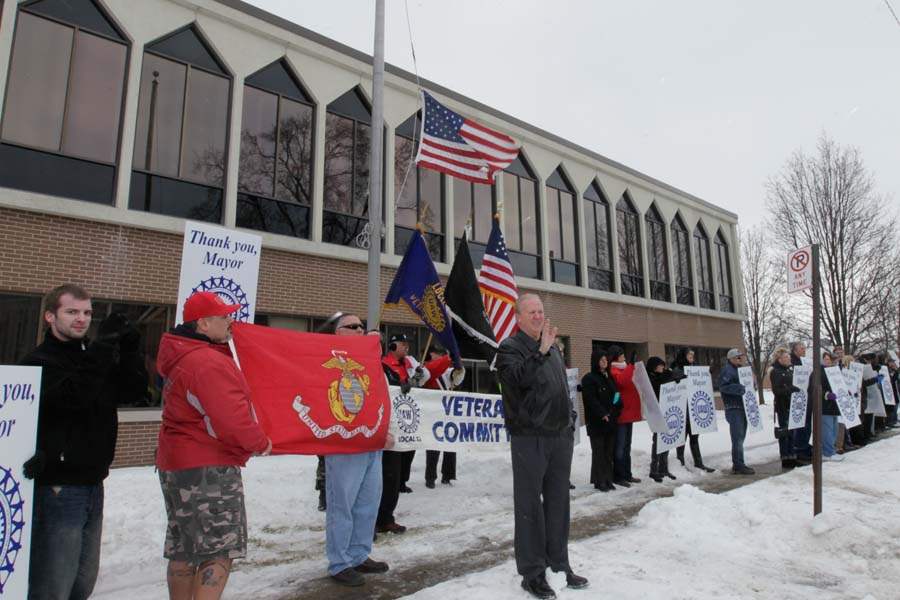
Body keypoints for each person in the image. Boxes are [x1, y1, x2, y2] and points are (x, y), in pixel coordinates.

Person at [21, 284, 147, 600]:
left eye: (87, 312)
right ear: (50, 316)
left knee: (82, 583)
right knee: (53, 584)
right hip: (59, 488)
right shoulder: (39, 361)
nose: (82, 319)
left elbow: (132, 392)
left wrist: (131, 347)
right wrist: (103, 347)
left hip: (93, 483)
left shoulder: (92, 357)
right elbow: (74, 398)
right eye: (72, 312)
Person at [155, 291, 272, 600]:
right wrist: (260, 443)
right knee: (218, 550)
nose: (231, 321)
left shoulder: (182, 357)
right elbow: (231, 421)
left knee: (184, 548)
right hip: (207, 468)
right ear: (204, 324)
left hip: (176, 463)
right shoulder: (206, 362)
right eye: (224, 316)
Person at [495, 293, 588, 600]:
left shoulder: (554, 349)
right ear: (518, 317)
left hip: (559, 437)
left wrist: (570, 418)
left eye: (540, 311)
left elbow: (562, 385)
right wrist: (542, 351)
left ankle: (559, 565)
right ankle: (533, 572)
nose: (538, 316)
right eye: (531, 312)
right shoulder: (509, 348)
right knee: (529, 507)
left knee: (559, 503)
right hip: (529, 436)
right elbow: (516, 380)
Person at [321, 312, 390, 586]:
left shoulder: (371, 361)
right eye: (352, 327)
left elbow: (380, 395)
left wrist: (386, 429)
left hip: (371, 440)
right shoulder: (325, 358)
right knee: (343, 504)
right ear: (338, 333)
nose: (360, 330)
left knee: (367, 502)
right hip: (343, 442)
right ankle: (339, 561)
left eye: (362, 326)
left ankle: (359, 554)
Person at [382, 333, 429, 494]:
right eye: (403, 344)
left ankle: (402, 481)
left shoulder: (408, 363)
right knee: (396, 449)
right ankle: (392, 481)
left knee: (409, 447)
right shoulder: (384, 364)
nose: (406, 347)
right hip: (393, 414)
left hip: (409, 412)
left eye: (407, 344)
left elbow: (417, 384)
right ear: (393, 346)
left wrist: (417, 378)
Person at [422, 347, 465, 489]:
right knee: (433, 446)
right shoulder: (425, 369)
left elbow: (455, 378)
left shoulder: (445, 370)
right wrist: (448, 358)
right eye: (437, 354)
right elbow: (433, 370)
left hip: (447, 412)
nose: (440, 357)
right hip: (432, 413)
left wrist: (459, 370)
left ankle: (448, 475)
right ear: (431, 354)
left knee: (450, 444)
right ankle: (430, 477)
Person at [580, 346, 620, 492]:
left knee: (609, 452)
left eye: (606, 360)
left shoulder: (609, 377)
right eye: (602, 360)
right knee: (599, 453)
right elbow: (591, 400)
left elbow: (616, 395)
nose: (605, 362)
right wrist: (602, 413)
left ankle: (608, 479)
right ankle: (600, 481)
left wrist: (615, 410)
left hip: (611, 421)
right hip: (597, 422)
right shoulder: (589, 378)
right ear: (596, 361)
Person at [671, 348, 714, 472]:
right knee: (682, 437)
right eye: (689, 355)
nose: (692, 357)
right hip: (682, 408)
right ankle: (680, 463)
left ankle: (699, 462)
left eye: (693, 355)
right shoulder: (676, 367)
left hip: (694, 408)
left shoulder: (695, 367)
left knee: (695, 437)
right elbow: (675, 379)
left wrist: (706, 373)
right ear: (683, 356)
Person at [607, 346, 642, 488]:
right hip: (621, 414)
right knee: (620, 447)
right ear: (615, 357)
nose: (624, 357)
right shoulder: (614, 370)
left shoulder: (625, 368)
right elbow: (622, 381)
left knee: (627, 446)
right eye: (621, 355)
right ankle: (618, 475)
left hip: (629, 413)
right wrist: (631, 366)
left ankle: (627, 473)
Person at [718, 348, 754, 475]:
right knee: (737, 437)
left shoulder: (741, 371)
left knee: (741, 436)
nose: (741, 359)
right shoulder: (727, 370)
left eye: (741, 357)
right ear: (731, 359)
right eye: (738, 357)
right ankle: (738, 464)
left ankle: (738, 463)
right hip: (734, 407)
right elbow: (723, 387)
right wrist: (739, 388)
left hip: (743, 406)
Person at [647, 356, 680, 483]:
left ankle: (664, 468)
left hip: (667, 411)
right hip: (656, 413)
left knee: (667, 439)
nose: (662, 367)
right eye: (660, 365)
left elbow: (677, 376)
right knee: (657, 441)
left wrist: (676, 378)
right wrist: (669, 378)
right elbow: (657, 387)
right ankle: (653, 469)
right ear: (654, 367)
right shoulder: (650, 378)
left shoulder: (665, 375)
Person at [769, 347, 798, 469]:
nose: (789, 359)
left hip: (792, 404)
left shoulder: (789, 370)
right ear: (780, 359)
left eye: (789, 357)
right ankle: (785, 458)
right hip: (783, 405)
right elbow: (776, 390)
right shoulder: (775, 371)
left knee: (792, 432)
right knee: (784, 432)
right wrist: (790, 389)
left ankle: (792, 455)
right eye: (786, 357)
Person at [819, 350, 843, 462]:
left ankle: (830, 449)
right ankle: (827, 452)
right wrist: (826, 394)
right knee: (827, 430)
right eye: (826, 359)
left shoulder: (834, 371)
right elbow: (815, 388)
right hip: (825, 405)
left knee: (834, 429)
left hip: (834, 405)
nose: (828, 361)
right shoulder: (818, 372)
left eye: (830, 359)